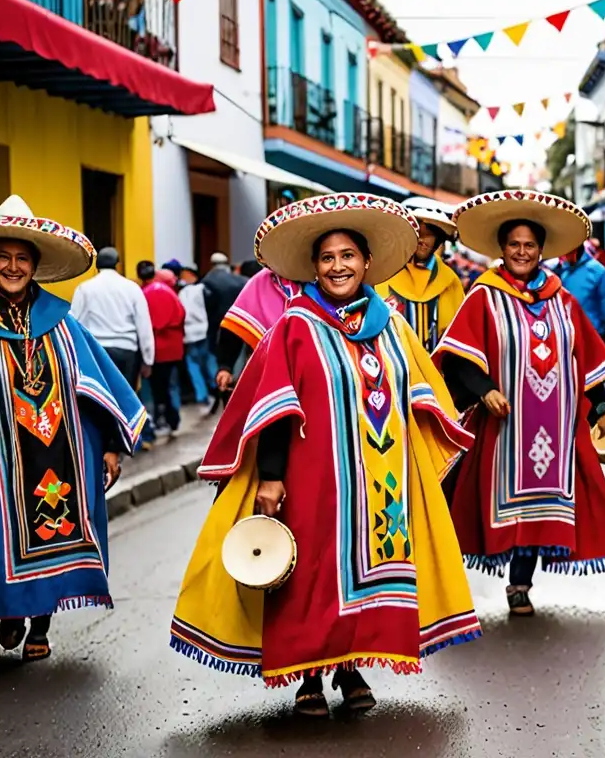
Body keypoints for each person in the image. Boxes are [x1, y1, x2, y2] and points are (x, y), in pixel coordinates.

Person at [171, 193, 481, 716]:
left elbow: (422, 391)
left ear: (366, 263)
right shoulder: (295, 327)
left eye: (348, 256)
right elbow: (272, 407)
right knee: (312, 574)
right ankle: (309, 677)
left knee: (370, 572)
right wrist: (270, 477)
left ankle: (352, 667)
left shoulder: (394, 326)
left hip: (382, 486)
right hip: (311, 478)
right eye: (327, 258)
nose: (338, 267)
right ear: (315, 267)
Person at [434, 190, 605, 617]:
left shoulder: (563, 300)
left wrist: (600, 406)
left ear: (541, 250)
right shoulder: (483, 296)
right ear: (502, 249)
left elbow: (585, 357)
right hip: (503, 429)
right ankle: (448, 582)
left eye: (530, 245)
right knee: (484, 501)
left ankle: (521, 582)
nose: (522, 252)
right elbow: (460, 357)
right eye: (514, 244)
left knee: (545, 506)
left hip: (558, 429)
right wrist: (484, 389)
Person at [0, 195, 144, 660]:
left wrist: (109, 445)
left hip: (62, 454)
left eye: (22, 258)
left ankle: (40, 625)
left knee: (56, 530)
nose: (12, 266)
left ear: (35, 264)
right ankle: (9, 611)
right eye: (4, 257)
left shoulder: (63, 322)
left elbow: (101, 383)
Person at [374, 208, 466, 353]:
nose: (422, 239)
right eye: (417, 232)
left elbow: (458, 335)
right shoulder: (384, 272)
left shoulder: (450, 281)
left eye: (429, 234)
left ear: (438, 241)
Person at [213, 266, 303, 399]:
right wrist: (225, 366)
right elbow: (235, 327)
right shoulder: (263, 281)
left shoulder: (319, 279)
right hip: (267, 371)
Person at [70, 246, 154, 387]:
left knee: (101, 401)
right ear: (117, 264)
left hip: (97, 351)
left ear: (96, 266)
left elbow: (76, 322)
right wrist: (148, 360)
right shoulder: (132, 288)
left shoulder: (85, 288)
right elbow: (144, 326)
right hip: (127, 352)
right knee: (125, 401)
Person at [139, 263, 185, 436]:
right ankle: (174, 420)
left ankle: (159, 420)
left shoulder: (147, 293)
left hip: (156, 349)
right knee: (171, 386)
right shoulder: (170, 293)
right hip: (173, 348)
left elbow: (149, 323)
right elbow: (181, 316)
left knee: (154, 388)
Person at [554, 239, 605, 344]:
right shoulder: (564, 270)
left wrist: (601, 330)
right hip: (567, 333)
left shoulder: (598, 271)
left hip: (591, 333)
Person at [178, 263, 216, 406]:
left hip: (188, 333)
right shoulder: (202, 290)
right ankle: (215, 387)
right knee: (206, 361)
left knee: (193, 364)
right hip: (202, 331)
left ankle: (202, 394)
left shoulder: (182, 293)